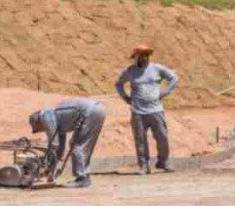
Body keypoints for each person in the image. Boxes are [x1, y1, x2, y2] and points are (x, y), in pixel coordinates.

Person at [115, 45, 178, 174]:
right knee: (140, 140)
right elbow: (118, 83)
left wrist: (164, 92)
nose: (144, 58)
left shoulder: (157, 68)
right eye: (141, 55)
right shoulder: (130, 71)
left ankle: (163, 162)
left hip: (156, 110)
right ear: (136, 57)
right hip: (138, 112)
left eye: (146, 55)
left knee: (162, 137)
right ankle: (143, 165)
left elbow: (174, 78)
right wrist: (125, 97)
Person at [28, 98, 107, 188]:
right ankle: (85, 175)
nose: (43, 130)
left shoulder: (46, 116)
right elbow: (60, 148)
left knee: (76, 146)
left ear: (37, 122)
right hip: (98, 109)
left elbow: (54, 144)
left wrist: (47, 163)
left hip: (89, 112)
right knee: (83, 147)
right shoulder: (57, 118)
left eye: (39, 129)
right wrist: (52, 169)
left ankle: (82, 178)